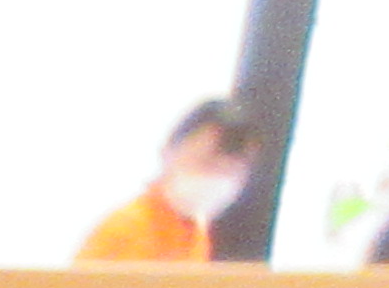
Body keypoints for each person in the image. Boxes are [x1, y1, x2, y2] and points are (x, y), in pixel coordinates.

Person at [72, 99, 253, 263]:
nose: (217, 177)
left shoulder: (197, 235)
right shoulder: (128, 228)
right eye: (207, 162)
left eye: (232, 170)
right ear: (168, 152)